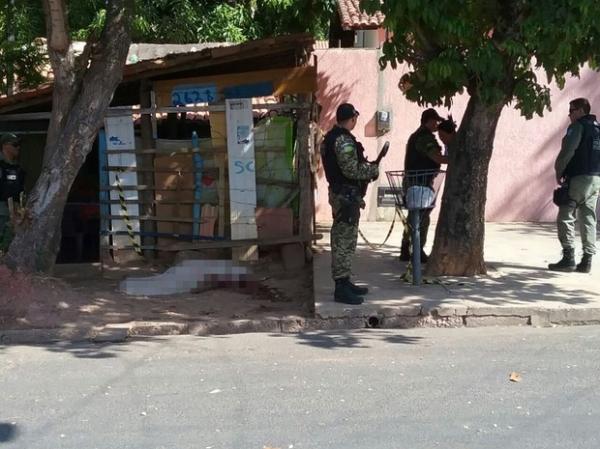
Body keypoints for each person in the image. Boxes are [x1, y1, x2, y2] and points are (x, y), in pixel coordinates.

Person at [321, 103, 380, 305]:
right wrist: (371, 170)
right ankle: (341, 287)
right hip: (345, 195)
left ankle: (345, 281)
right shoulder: (342, 140)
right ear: (352, 119)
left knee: (345, 239)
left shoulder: (330, 137)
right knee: (343, 242)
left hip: (342, 194)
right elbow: (350, 170)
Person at [548, 98, 600, 273]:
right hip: (595, 180)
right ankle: (587, 260)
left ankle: (568, 257)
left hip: (578, 178)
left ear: (580, 110)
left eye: (571, 110)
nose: (569, 115)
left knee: (565, 215)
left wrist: (559, 170)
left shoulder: (577, 127)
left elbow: (568, 151)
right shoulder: (597, 128)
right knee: (588, 218)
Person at [399, 109, 449, 262]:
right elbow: (438, 158)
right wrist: (455, 156)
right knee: (422, 218)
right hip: (419, 183)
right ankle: (417, 250)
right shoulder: (424, 138)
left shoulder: (416, 136)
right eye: (436, 121)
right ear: (429, 120)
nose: (437, 124)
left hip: (414, 182)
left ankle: (406, 247)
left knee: (413, 217)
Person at [0, 133, 25, 252]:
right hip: (1, 212)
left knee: (8, 245)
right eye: (15, 145)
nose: (18, 148)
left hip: (13, 212)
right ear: (5, 146)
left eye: (19, 145)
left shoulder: (17, 168)